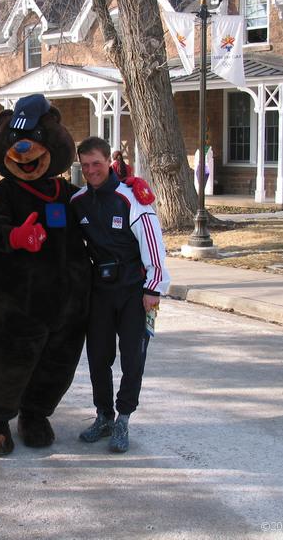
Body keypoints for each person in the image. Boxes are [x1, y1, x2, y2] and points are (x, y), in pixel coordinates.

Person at [70, 136, 170, 453]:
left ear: (107, 162)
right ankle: (104, 416)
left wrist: (154, 288)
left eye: (96, 164)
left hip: (133, 291)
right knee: (98, 357)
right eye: (84, 166)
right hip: (99, 291)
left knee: (132, 358)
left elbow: (153, 244)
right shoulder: (79, 202)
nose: (90, 170)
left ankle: (123, 418)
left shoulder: (130, 198)